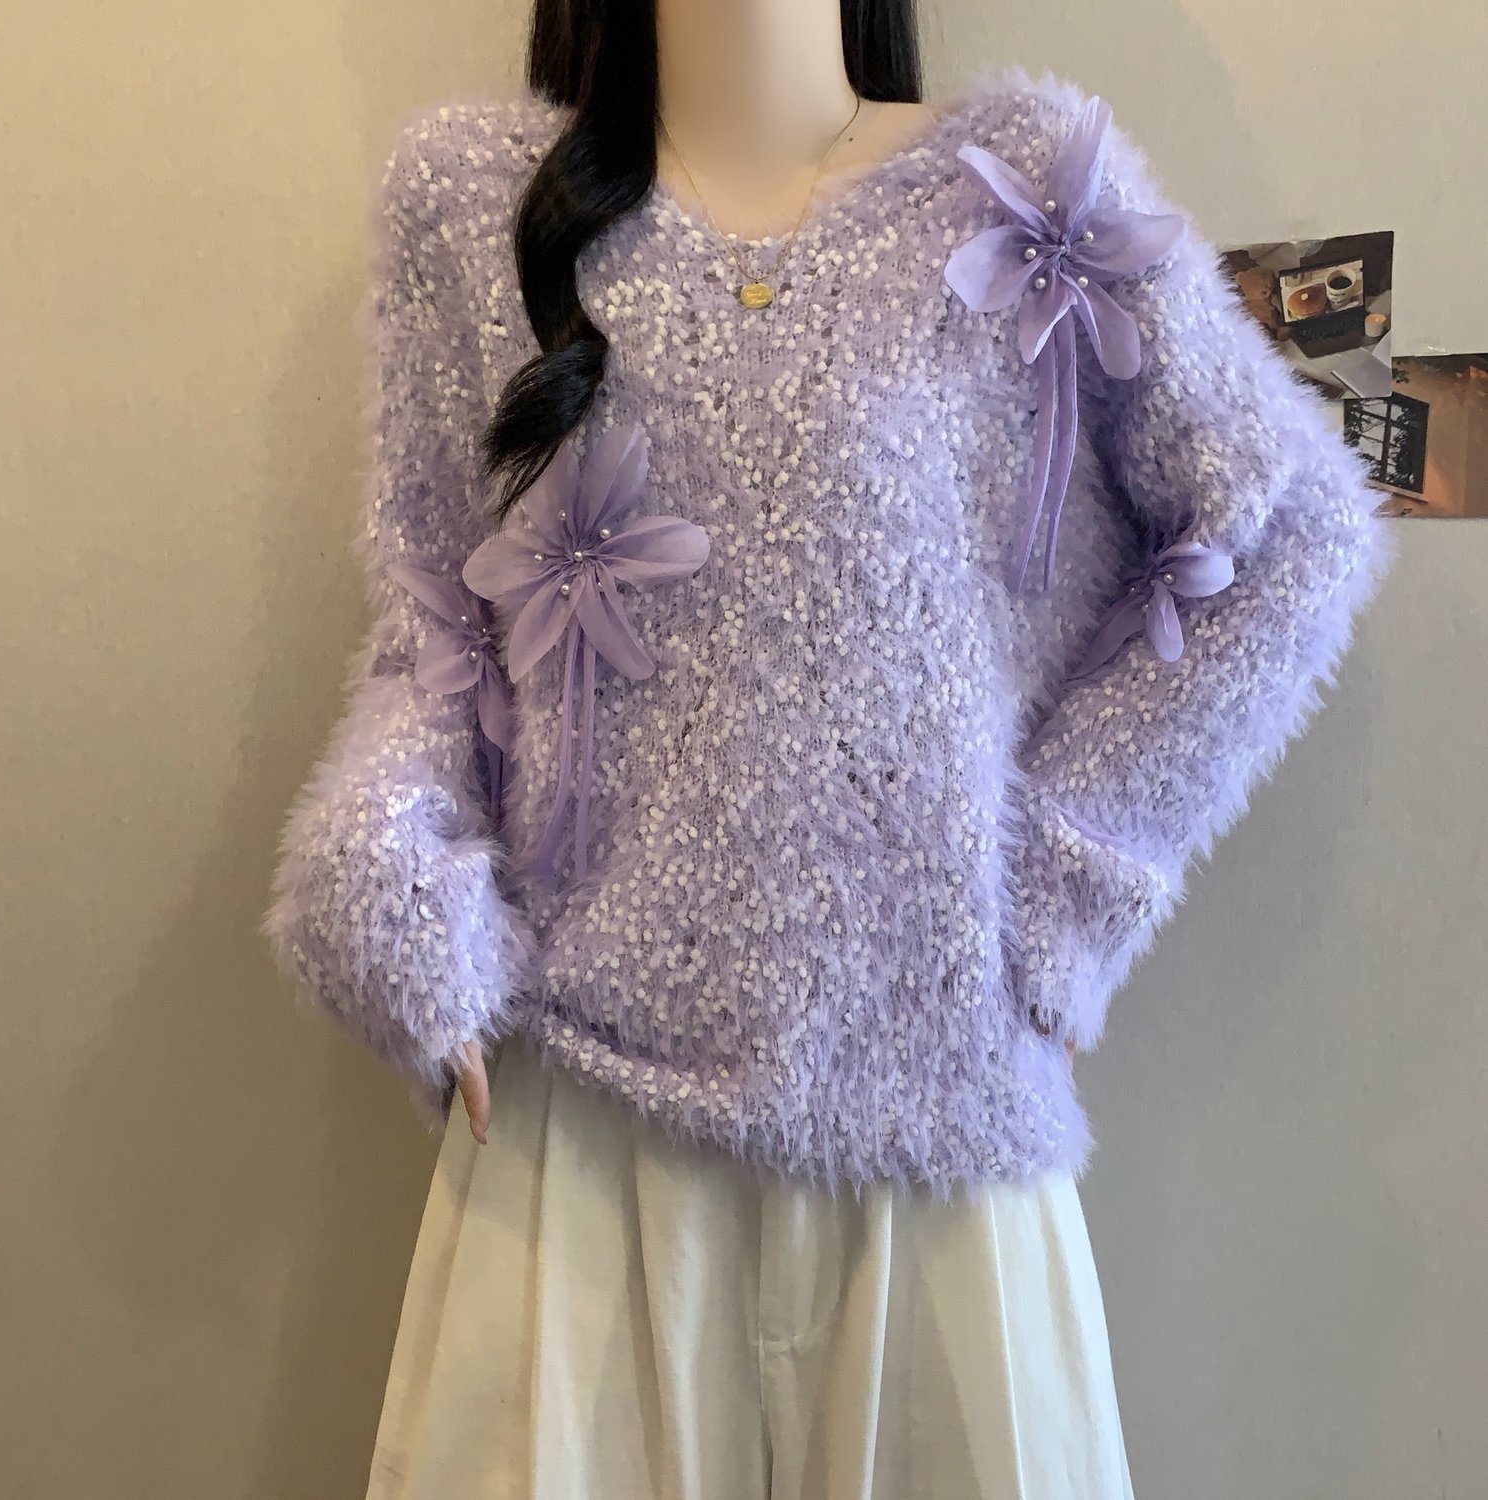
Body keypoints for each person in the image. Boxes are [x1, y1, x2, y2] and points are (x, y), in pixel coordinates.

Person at [262, 3, 1396, 1495]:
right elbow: (434, 632)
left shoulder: (1026, 185)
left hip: (935, 1139)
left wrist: (1063, 882)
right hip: (583, 1142)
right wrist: (392, 888)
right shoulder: (474, 205)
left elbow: (1288, 536)